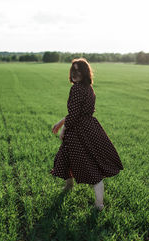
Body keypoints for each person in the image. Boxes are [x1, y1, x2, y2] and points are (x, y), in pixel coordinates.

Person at [50, 58, 124, 211]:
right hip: (90, 127)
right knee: (65, 156)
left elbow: (75, 114)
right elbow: (79, 112)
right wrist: (61, 122)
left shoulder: (76, 89)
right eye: (73, 70)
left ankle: (99, 205)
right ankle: (69, 186)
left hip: (78, 131)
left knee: (88, 167)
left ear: (85, 72)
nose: (75, 73)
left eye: (78, 70)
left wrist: (64, 129)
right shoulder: (88, 88)